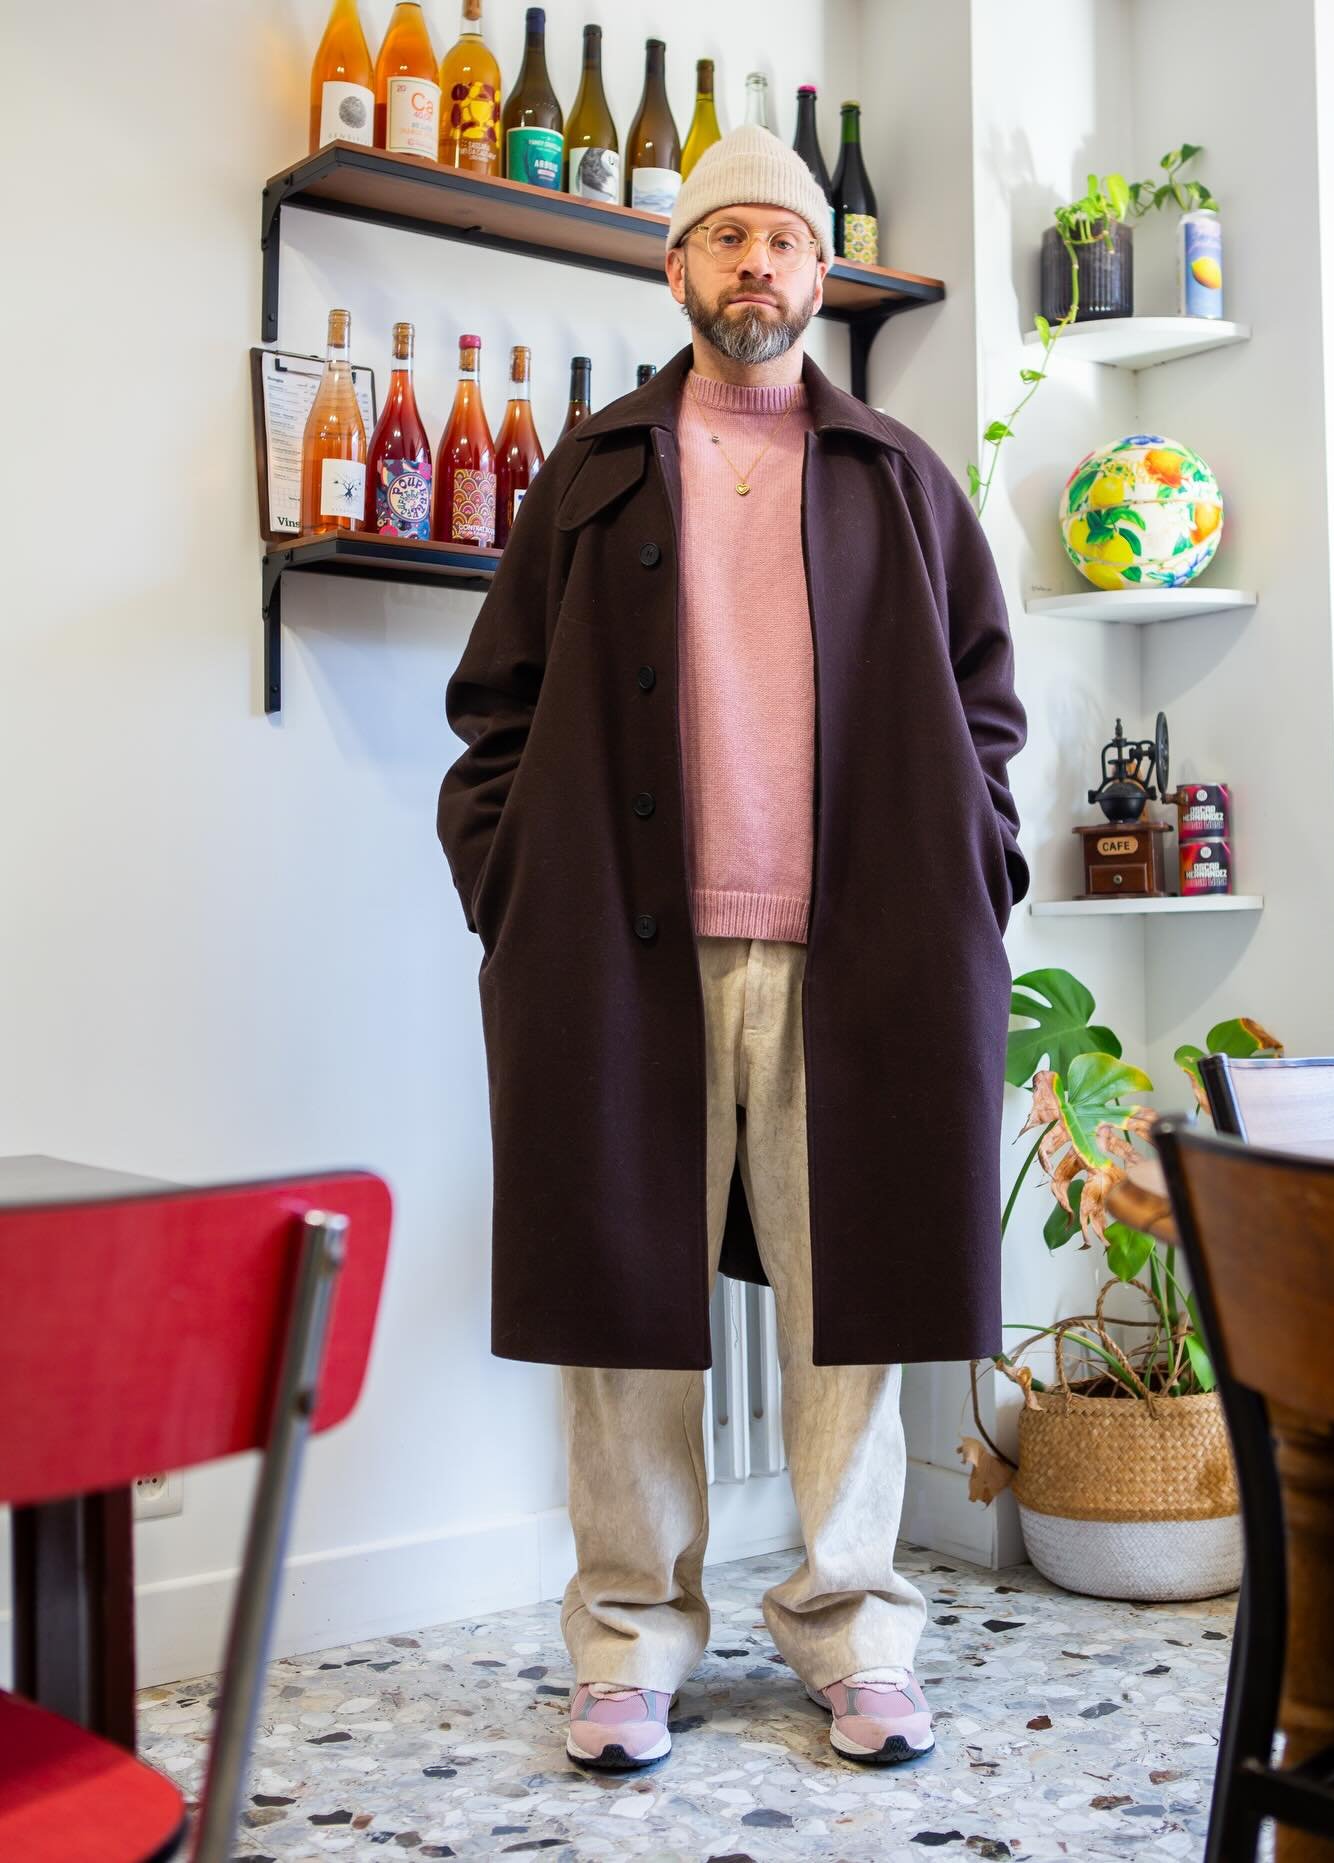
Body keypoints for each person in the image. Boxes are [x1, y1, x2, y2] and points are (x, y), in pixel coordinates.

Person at [435, 124, 1029, 1774]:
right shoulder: (594, 469)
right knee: (623, 1306)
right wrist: (507, 880)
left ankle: (855, 1632)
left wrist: (977, 863)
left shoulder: (897, 474)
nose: (757, 264)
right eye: (726, 239)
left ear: (819, 278)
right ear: (674, 268)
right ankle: (628, 1641)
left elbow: (987, 704)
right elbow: (493, 711)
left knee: (857, 1309)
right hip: (628, 960)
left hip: (866, 957)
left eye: (785, 239)